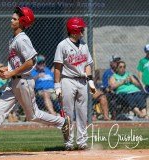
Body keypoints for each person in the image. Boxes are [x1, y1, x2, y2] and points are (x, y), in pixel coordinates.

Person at [0, 6, 70, 154]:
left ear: (22, 22)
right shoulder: (13, 39)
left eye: (15, 19)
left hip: (24, 81)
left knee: (33, 116)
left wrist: (11, 73)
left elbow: (30, 62)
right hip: (14, 81)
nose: (11, 20)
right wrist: (6, 69)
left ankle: (63, 122)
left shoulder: (22, 39)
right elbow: (18, 62)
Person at [54, 17, 95, 150]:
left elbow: (88, 64)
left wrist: (90, 81)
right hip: (68, 80)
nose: (82, 31)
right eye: (80, 29)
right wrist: (57, 85)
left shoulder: (84, 44)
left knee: (83, 113)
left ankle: (82, 142)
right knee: (68, 114)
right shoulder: (62, 45)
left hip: (82, 81)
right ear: (73, 30)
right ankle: (68, 143)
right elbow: (58, 67)